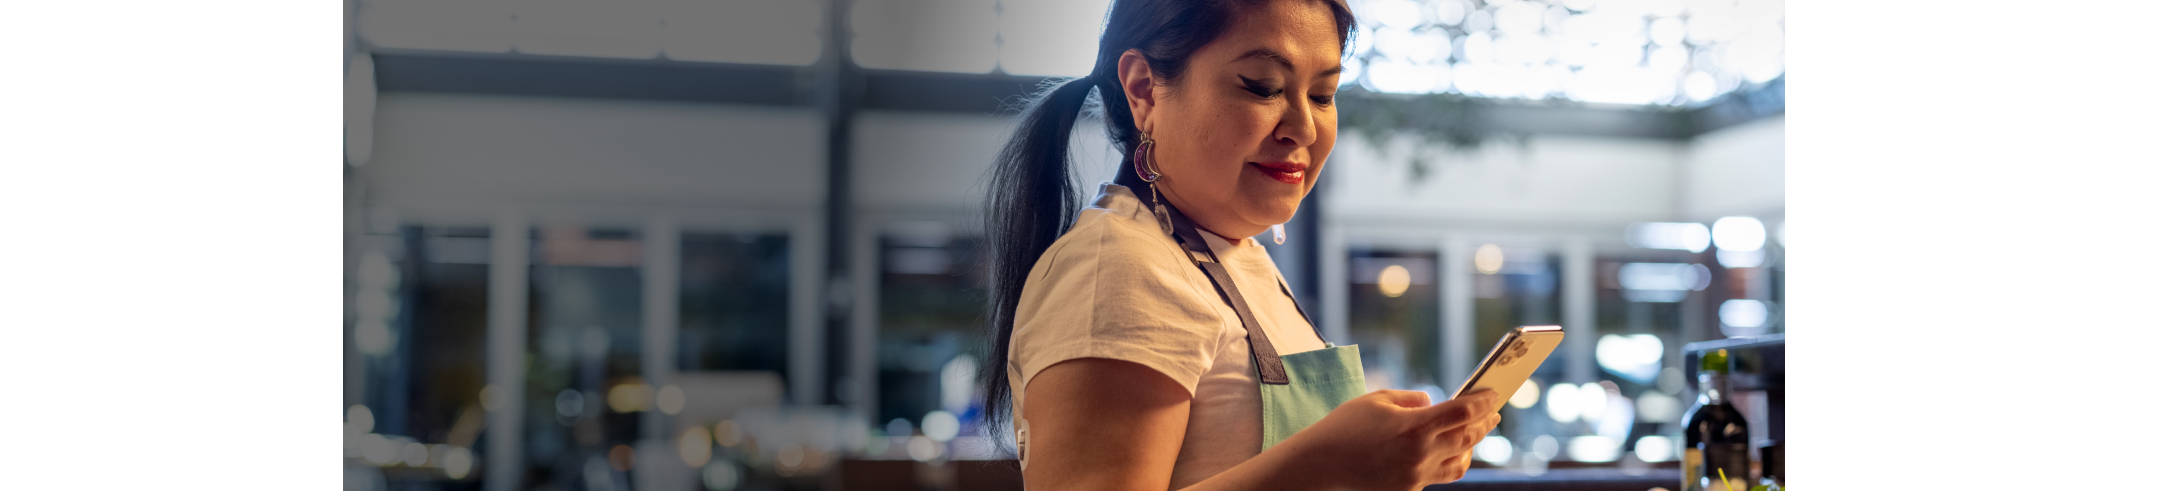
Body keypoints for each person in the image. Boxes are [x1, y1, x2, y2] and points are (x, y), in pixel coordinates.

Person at [979, 0, 1504, 489]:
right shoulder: (1119, 266)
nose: (1303, 127)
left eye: (1323, 95)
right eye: (1262, 86)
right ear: (1143, 89)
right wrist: (1327, 468)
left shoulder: (1232, 257)